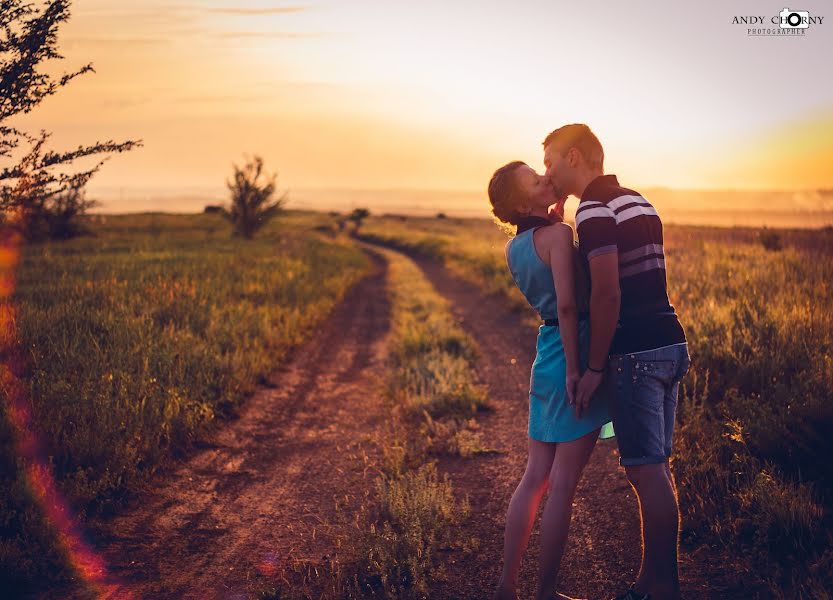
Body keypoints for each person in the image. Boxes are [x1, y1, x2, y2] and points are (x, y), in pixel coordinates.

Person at [542, 124, 691, 600]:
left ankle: (665, 590)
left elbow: (607, 292)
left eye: (549, 161)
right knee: (649, 468)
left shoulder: (594, 210)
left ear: (574, 156)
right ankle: (649, 582)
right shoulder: (635, 200)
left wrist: (595, 368)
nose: (546, 171)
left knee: (647, 470)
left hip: (635, 354)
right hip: (669, 344)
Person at [488, 160, 615, 600]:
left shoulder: (515, 248)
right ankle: (546, 592)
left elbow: (548, 299)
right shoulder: (560, 236)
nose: (547, 181)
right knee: (562, 483)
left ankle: (507, 585)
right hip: (571, 350)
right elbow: (567, 306)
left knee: (534, 476)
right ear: (524, 201)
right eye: (537, 182)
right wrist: (579, 370)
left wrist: (552, 208)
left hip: (545, 354)